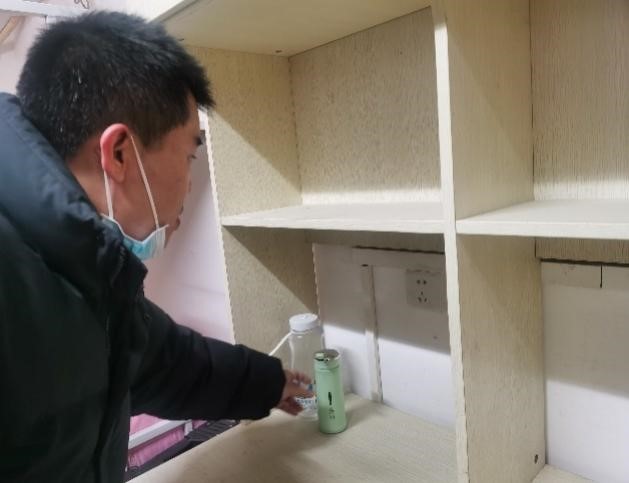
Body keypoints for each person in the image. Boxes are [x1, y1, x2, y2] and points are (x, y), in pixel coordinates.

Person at [0, 11, 311, 483]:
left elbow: (161, 362)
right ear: (119, 153)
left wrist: (266, 381)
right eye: (188, 154)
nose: (189, 182)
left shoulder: (85, 269)